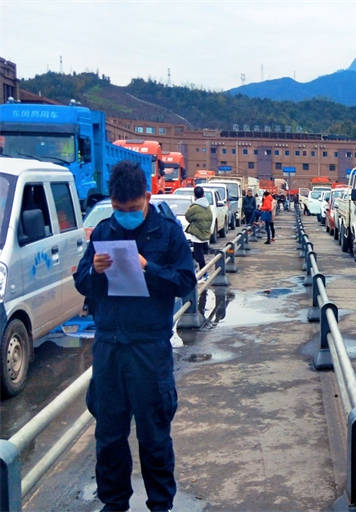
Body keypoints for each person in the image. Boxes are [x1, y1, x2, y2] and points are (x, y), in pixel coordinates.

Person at [73, 161, 195, 512]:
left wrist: (148, 268)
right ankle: (114, 503)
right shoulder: (103, 232)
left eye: (132, 208)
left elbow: (185, 281)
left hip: (148, 348)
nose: (125, 215)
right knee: (109, 436)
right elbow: (82, 282)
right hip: (109, 347)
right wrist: (94, 272)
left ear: (147, 197)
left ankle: (160, 504)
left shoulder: (167, 232)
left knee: (154, 436)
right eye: (118, 208)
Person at [184, 186, 213, 271]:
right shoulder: (207, 206)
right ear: (203, 194)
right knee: (200, 253)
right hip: (205, 231)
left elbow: (187, 216)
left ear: (194, 195)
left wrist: (193, 221)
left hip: (197, 233)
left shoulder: (195, 207)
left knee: (198, 254)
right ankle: (200, 270)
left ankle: (203, 272)